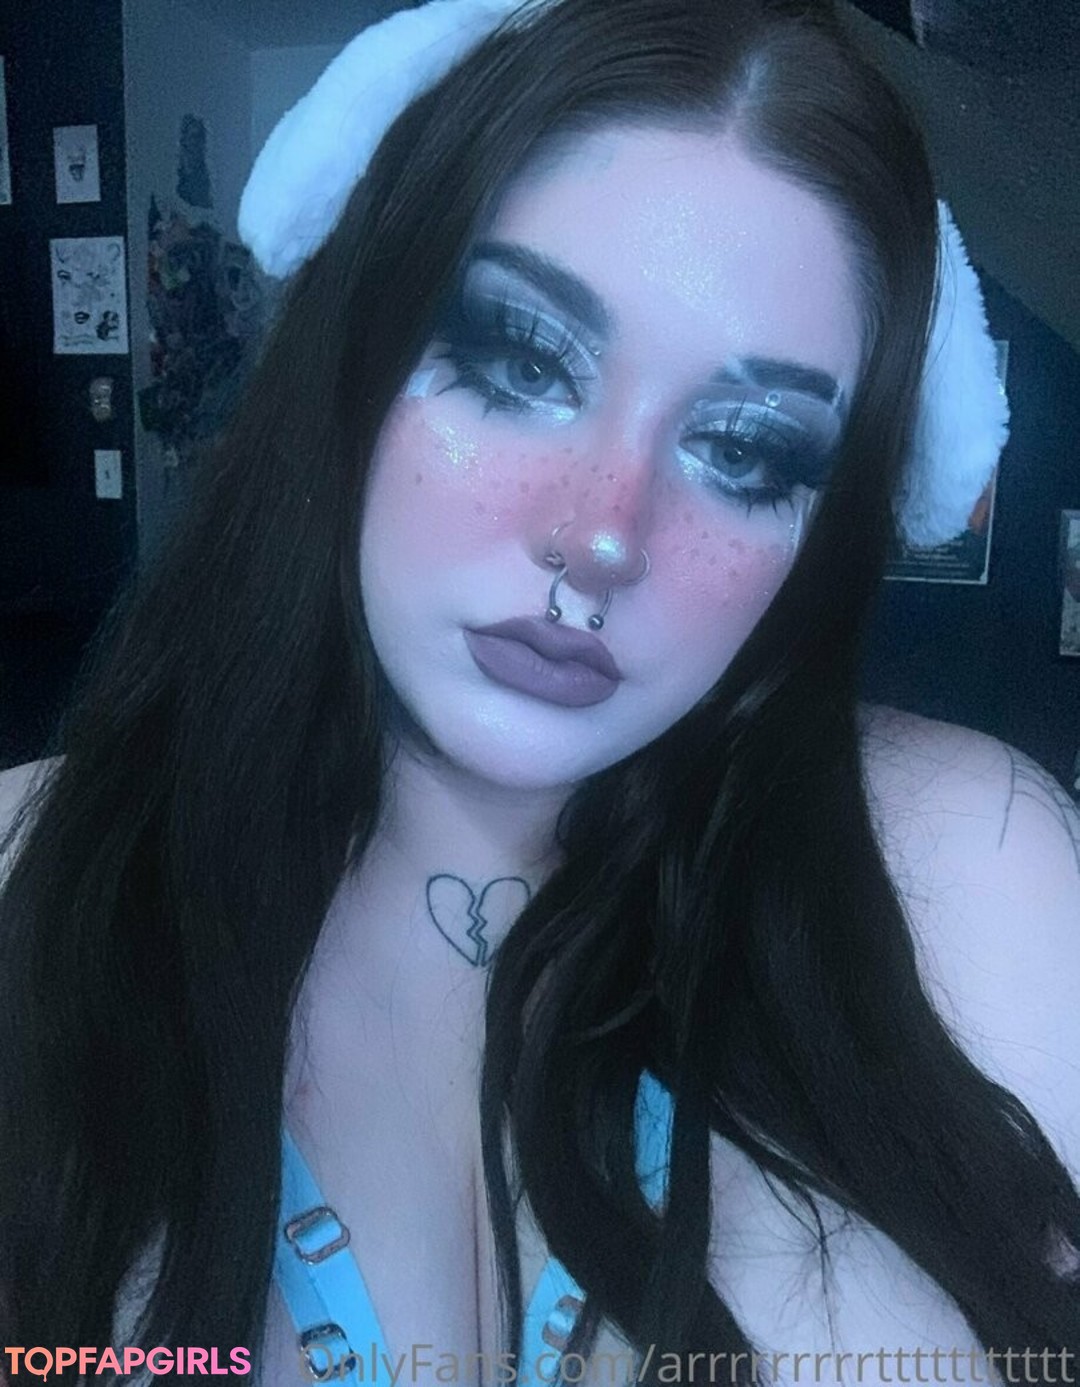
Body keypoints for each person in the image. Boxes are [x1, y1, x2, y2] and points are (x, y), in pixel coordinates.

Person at [1, 0, 1078, 1381]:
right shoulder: (30, 892)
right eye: (519, 361)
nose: (602, 534)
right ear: (356, 347)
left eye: (746, 450)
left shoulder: (973, 872)